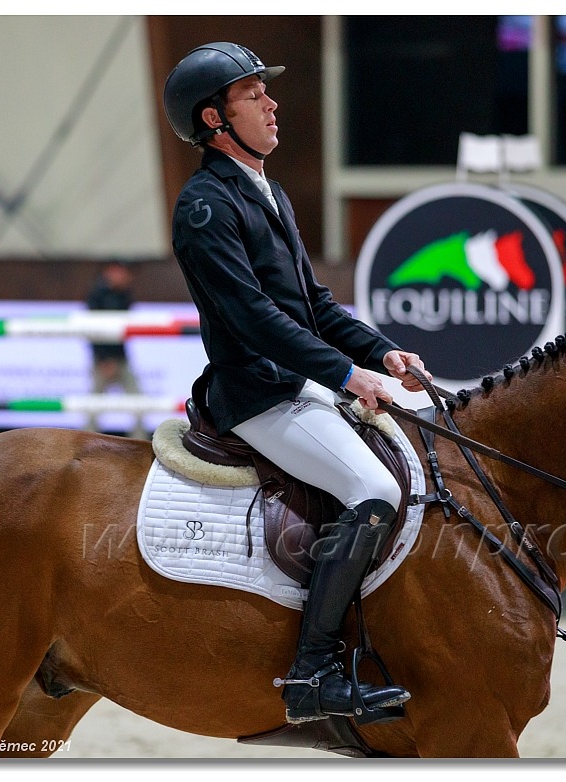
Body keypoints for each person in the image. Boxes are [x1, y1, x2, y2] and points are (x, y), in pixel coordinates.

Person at [163, 42, 431, 724]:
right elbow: (251, 318)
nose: (272, 103)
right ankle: (312, 672)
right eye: (254, 95)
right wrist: (344, 373)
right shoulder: (204, 208)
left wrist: (383, 353)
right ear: (214, 120)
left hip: (299, 382)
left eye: (265, 92)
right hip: (256, 393)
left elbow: (312, 303)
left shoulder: (268, 192)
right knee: (372, 492)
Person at [85, 260, 145, 439]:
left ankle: (140, 439)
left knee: (137, 400)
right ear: (109, 272)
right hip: (103, 358)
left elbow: (122, 329)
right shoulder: (97, 295)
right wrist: (104, 359)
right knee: (94, 403)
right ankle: (86, 438)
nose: (124, 276)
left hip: (121, 356)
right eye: (119, 272)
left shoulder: (123, 294)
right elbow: (94, 330)